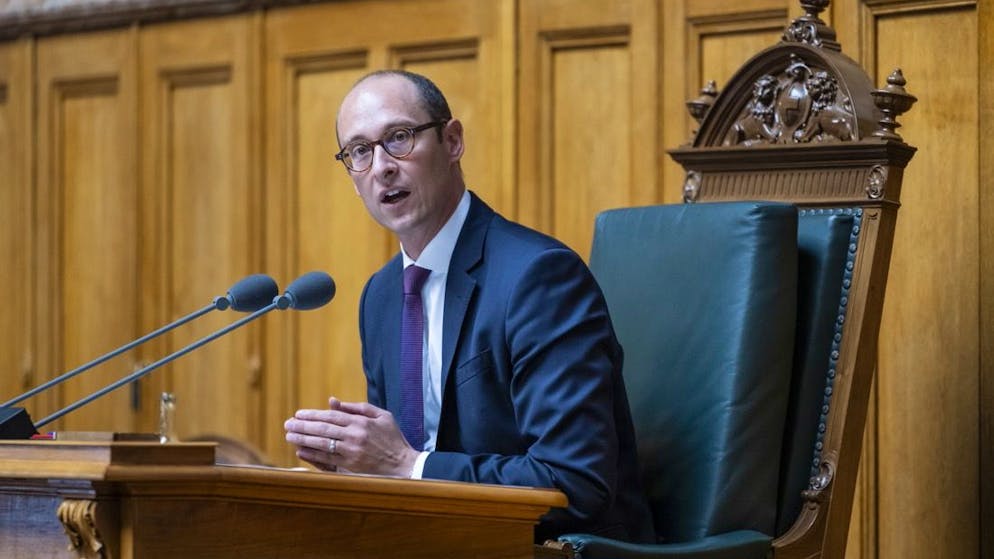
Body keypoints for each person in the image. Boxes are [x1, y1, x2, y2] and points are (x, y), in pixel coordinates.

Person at [283, 70, 654, 544]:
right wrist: (358, 467)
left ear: (452, 141)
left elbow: (573, 482)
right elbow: (398, 471)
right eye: (359, 151)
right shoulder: (380, 297)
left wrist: (406, 466)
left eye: (399, 138)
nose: (381, 166)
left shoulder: (539, 278)